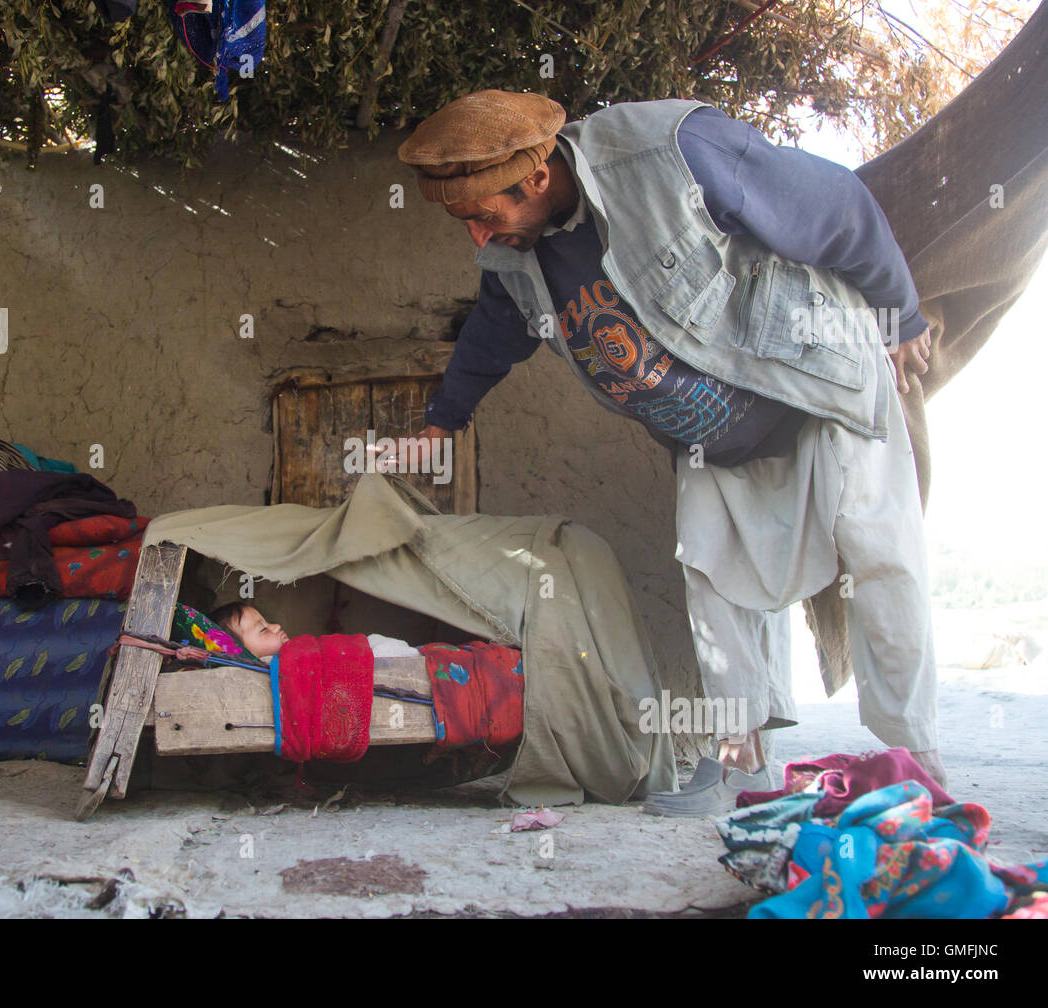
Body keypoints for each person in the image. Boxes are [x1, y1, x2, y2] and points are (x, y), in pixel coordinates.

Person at [389, 89, 945, 815]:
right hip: (712, 435)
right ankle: (740, 767)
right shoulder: (513, 254)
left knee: (880, 556)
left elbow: (834, 204)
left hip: (813, 378)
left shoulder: (672, 151)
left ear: (534, 179)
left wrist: (898, 313)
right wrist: (442, 420)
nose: (477, 237)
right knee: (713, 577)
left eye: (483, 214)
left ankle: (916, 766)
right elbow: (497, 327)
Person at [210, 602, 421, 663]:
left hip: (361, 651)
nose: (276, 626)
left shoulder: (286, 657)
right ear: (242, 653)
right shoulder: (266, 667)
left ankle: (417, 655)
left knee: (374, 643)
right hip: (363, 659)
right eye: (263, 629)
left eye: (268, 622)